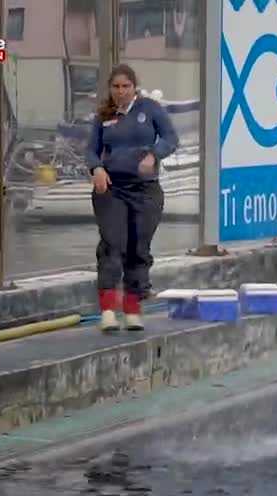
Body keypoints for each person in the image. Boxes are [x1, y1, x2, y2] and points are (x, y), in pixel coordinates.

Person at [86, 63, 179, 332]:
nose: (120, 91)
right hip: (112, 188)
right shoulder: (104, 115)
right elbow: (91, 150)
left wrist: (154, 155)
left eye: (125, 86)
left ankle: (132, 310)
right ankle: (107, 311)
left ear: (134, 87)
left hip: (145, 190)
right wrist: (97, 168)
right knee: (112, 245)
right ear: (110, 89)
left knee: (138, 248)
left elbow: (171, 138)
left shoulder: (150, 109)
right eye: (115, 87)